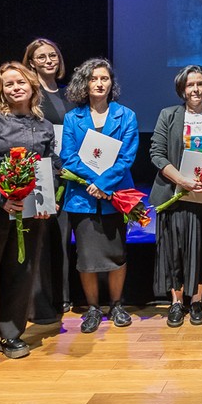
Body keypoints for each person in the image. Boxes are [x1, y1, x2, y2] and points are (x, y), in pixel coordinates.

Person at [0, 62, 57, 371]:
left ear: (32, 86)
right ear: (1, 89)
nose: (15, 87)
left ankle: (12, 334)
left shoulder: (43, 125)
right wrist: (0, 197)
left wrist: (46, 196)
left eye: (21, 82)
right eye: (9, 83)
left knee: (22, 271)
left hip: (29, 210)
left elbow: (50, 165)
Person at [59, 58, 140, 334]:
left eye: (104, 78)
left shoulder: (126, 115)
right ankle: (93, 308)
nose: (99, 83)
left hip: (115, 195)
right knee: (86, 258)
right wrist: (94, 182)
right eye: (94, 79)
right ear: (85, 83)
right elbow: (68, 156)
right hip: (82, 197)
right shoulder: (73, 118)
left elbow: (126, 156)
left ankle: (117, 305)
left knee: (116, 254)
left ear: (111, 83)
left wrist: (104, 183)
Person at [149, 65, 202, 328]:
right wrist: (181, 180)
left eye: (200, 84)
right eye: (190, 85)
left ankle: (196, 300)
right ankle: (176, 302)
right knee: (175, 251)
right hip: (175, 193)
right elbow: (157, 153)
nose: (195, 89)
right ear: (182, 89)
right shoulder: (168, 115)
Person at [22, 38, 72, 323]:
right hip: (40, 172)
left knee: (62, 237)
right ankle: (40, 301)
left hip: (67, 173)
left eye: (53, 55)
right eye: (41, 57)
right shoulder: (30, 94)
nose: (49, 60)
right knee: (39, 238)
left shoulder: (69, 95)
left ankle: (62, 296)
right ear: (31, 62)